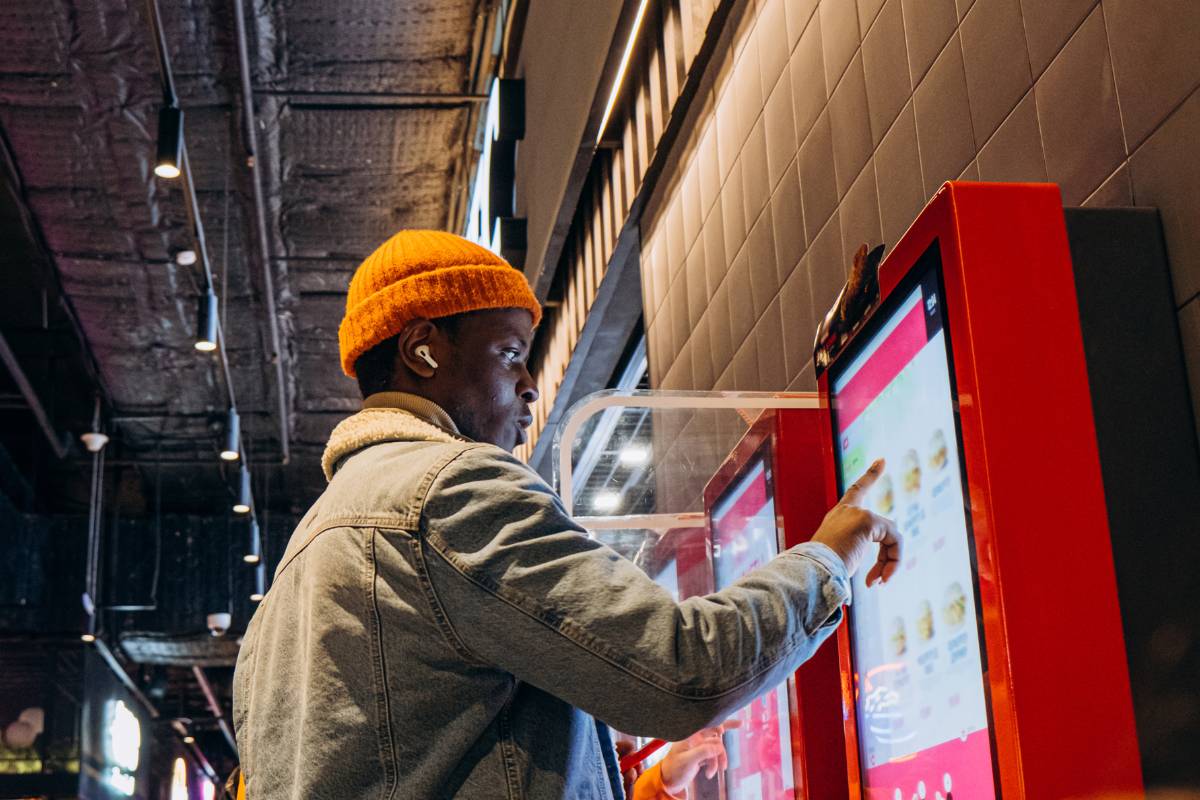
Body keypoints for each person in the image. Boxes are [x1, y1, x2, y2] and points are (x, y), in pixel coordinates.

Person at [232, 230, 901, 799]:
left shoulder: (298, 568)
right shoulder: (448, 491)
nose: (529, 387)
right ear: (423, 350)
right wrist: (830, 557)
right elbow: (682, 670)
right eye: (510, 354)